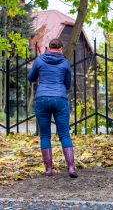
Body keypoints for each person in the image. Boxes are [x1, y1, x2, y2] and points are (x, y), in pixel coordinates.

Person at [28, 38, 78, 178]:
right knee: (64, 134)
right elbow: (67, 84)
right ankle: (71, 168)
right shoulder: (65, 63)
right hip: (60, 99)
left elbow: (31, 78)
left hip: (42, 99)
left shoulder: (39, 60)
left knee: (45, 135)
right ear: (61, 49)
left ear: (48, 47)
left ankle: (48, 170)